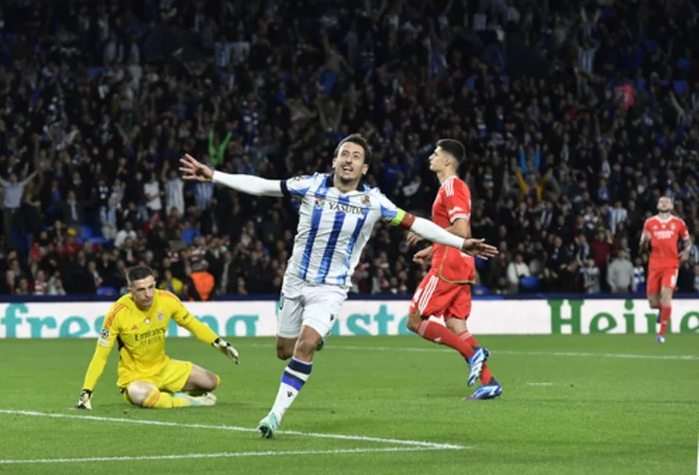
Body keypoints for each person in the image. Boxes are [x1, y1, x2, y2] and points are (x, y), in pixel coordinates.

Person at [179, 134, 498, 437]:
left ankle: (274, 415)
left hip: (330, 289)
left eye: (356, 157)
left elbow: (417, 224)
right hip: (294, 281)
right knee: (283, 351)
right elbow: (264, 187)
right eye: (344, 154)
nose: (349, 160)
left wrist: (460, 243)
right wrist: (215, 175)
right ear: (334, 161)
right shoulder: (311, 184)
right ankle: (314, 340)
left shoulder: (373, 202)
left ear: (365, 168)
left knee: (304, 346)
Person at [405, 139, 501, 400]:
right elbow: (462, 232)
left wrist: (427, 234)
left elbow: (459, 229)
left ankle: (473, 354)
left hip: (448, 266)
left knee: (414, 320)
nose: (430, 158)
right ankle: (489, 382)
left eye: (435, 154)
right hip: (458, 262)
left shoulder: (451, 187)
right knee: (456, 324)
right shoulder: (450, 188)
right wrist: (432, 247)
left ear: (447, 160)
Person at [74, 265, 239, 410]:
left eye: (151, 287)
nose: (148, 294)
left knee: (212, 382)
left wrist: (219, 343)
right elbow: (101, 355)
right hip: (135, 379)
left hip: (164, 368)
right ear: (131, 292)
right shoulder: (118, 313)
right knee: (145, 396)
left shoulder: (167, 300)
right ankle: (192, 402)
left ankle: (169, 396)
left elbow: (193, 324)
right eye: (141, 290)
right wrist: (86, 390)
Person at [639, 197, 692, 343]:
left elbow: (688, 241)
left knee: (666, 294)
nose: (664, 203)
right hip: (654, 265)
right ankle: (662, 310)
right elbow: (641, 247)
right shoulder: (650, 223)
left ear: (672, 205)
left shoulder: (678, 223)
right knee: (653, 303)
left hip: (671, 265)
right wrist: (645, 242)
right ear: (657, 205)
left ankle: (661, 334)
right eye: (661, 201)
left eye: (667, 201)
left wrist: (687, 251)